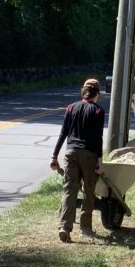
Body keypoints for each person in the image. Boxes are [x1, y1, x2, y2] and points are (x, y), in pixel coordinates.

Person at [50, 78, 105, 241]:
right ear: (98, 93)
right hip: (88, 154)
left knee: (69, 189)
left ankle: (64, 227)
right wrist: (100, 162)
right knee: (89, 190)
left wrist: (54, 156)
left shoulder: (71, 108)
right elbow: (98, 138)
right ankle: (85, 228)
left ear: (83, 91)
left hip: (70, 152)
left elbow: (63, 134)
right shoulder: (98, 111)